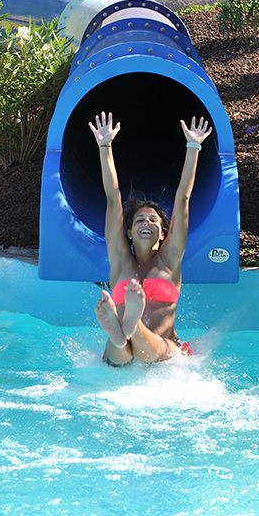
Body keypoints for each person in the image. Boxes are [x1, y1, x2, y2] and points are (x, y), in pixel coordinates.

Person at [89, 110, 211, 365]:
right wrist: (104, 145)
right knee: (119, 354)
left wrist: (193, 146)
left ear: (163, 233)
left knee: (140, 349)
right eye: (140, 220)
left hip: (163, 348)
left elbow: (183, 199)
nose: (146, 222)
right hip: (128, 353)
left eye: (153, 220)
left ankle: (128, 329)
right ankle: (123, 334)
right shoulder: (121, 260)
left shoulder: (170, 259)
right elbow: (113, 199)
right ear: (130, 232)